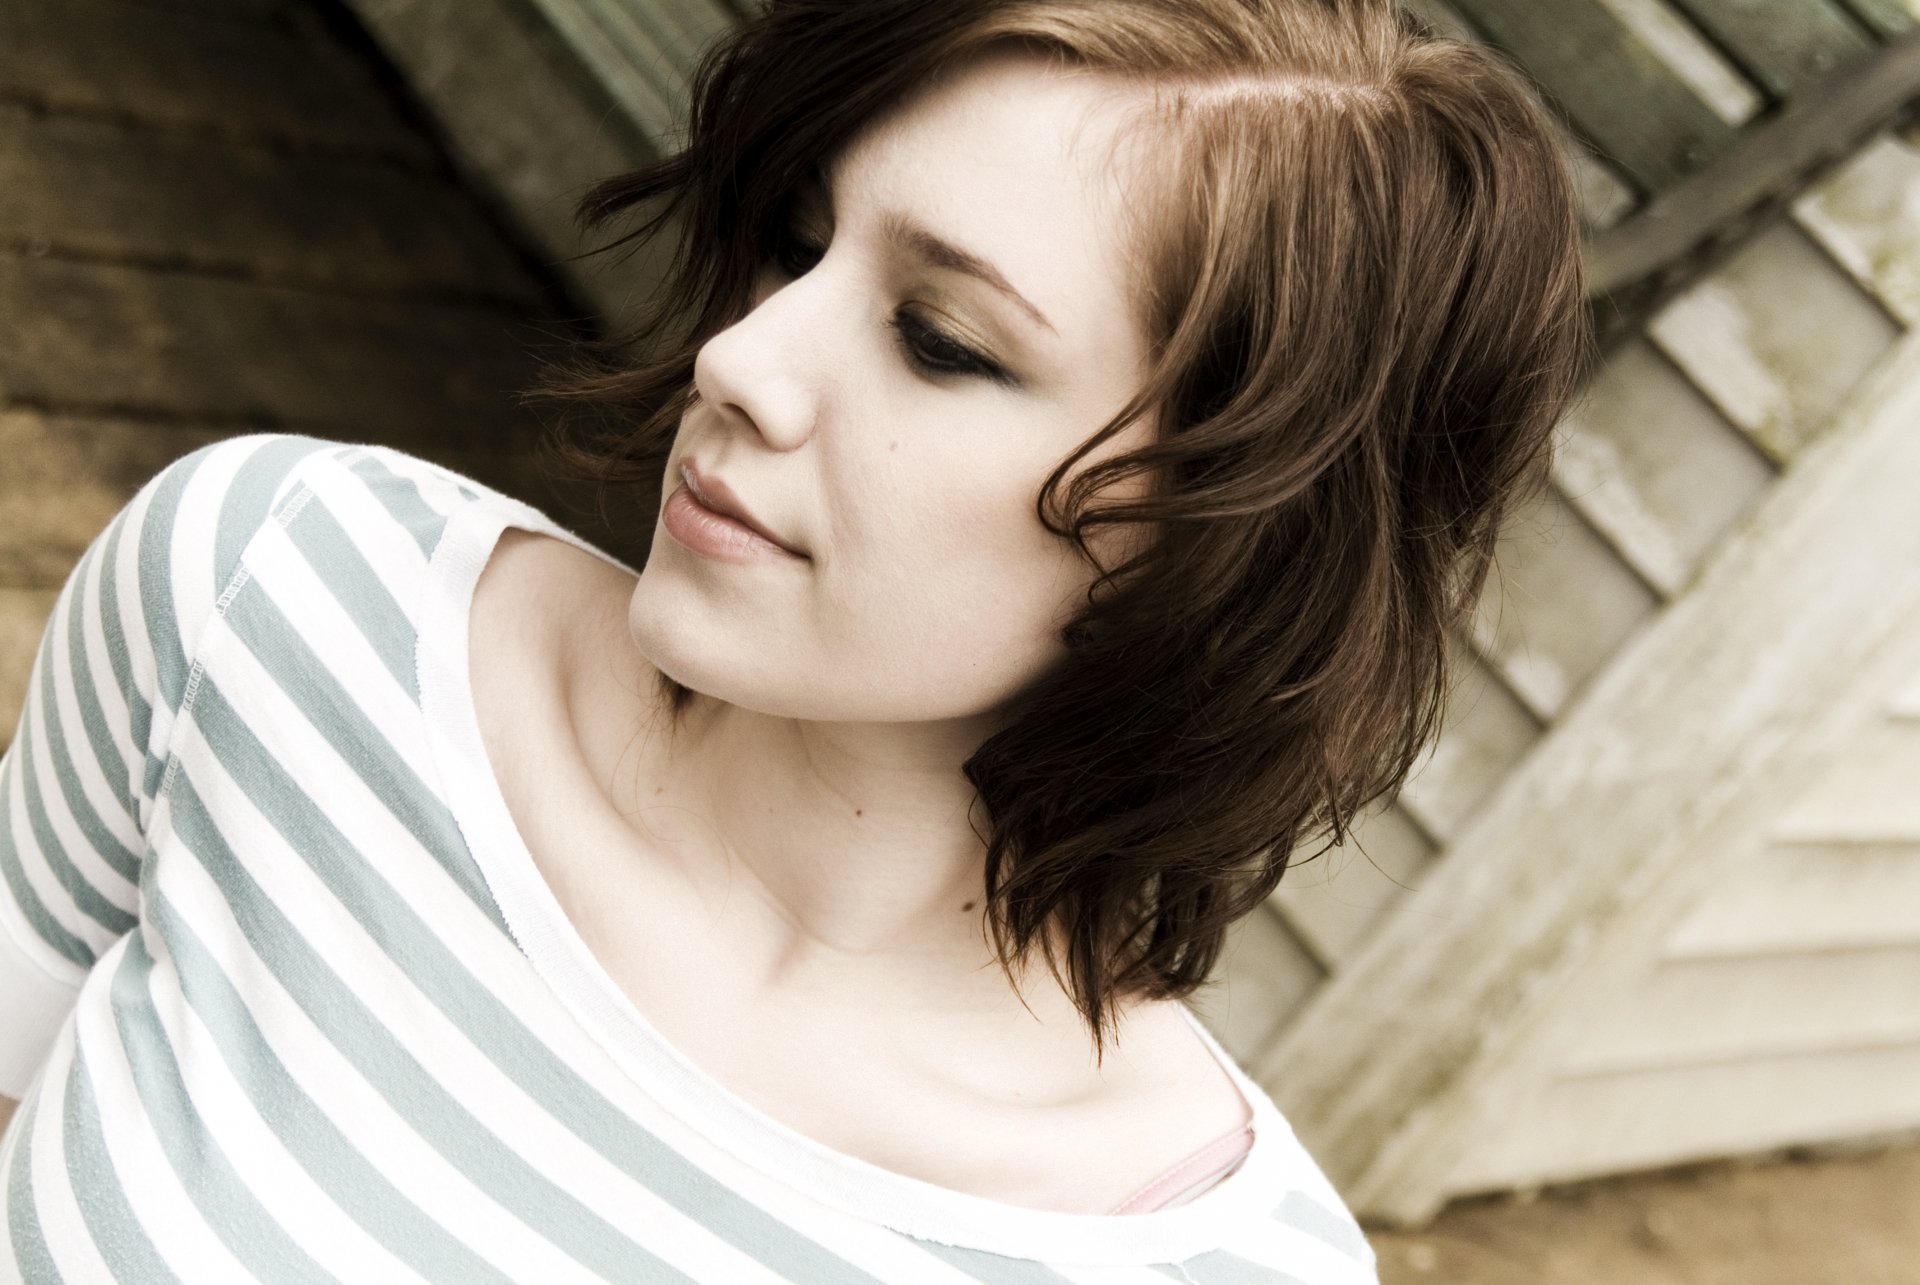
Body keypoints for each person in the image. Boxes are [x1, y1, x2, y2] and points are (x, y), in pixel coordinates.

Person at [0, 0, 1586, 1279]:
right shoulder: (270, 593)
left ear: (1227, 536)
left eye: (941, 340)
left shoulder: (1197, 1259)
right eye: (797, 241)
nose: (742, 354)